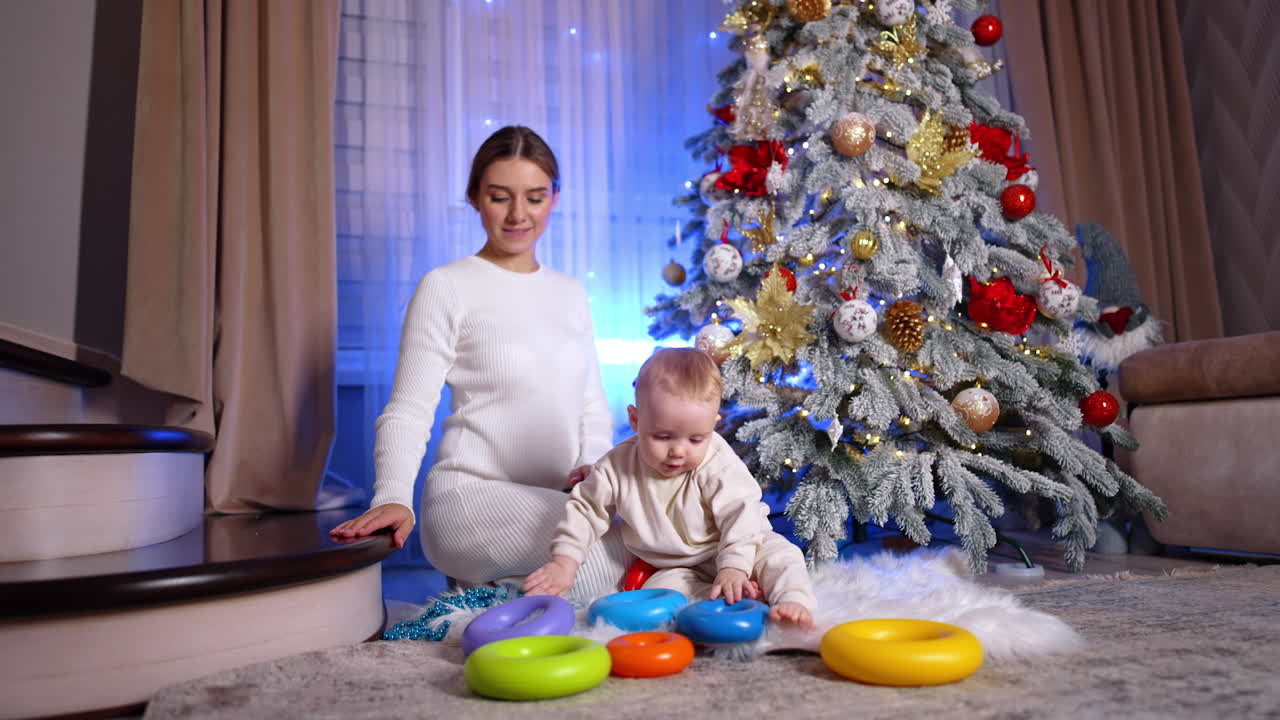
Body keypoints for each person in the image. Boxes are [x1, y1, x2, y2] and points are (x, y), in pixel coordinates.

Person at [330, 126, 631, 603]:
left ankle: (492, 596)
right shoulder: (446, 287)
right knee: (610, 569)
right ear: (474, 197)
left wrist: (590, 468)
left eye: (534, 198)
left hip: (556, 502)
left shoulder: (570, 293)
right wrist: (392, 495)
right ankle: (475, 604)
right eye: (499, 197)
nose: (518, 215)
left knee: (645, 544)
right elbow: (409, 408)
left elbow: (591, 405)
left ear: (555, 197)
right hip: (468, 499)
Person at [524, 348, 817, 629]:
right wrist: (565, 562)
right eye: (663, 436)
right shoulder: (617, 467)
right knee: (664, 592)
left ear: (712, 426)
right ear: (636, 420)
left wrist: (735, 567)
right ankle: (735, 600)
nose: (678, 451)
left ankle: (792, 601)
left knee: (781, 556)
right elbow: (585, 510)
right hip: (675, 566)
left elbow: (742, 517)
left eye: (695, 439)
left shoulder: (718, 464)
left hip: (737, 543)